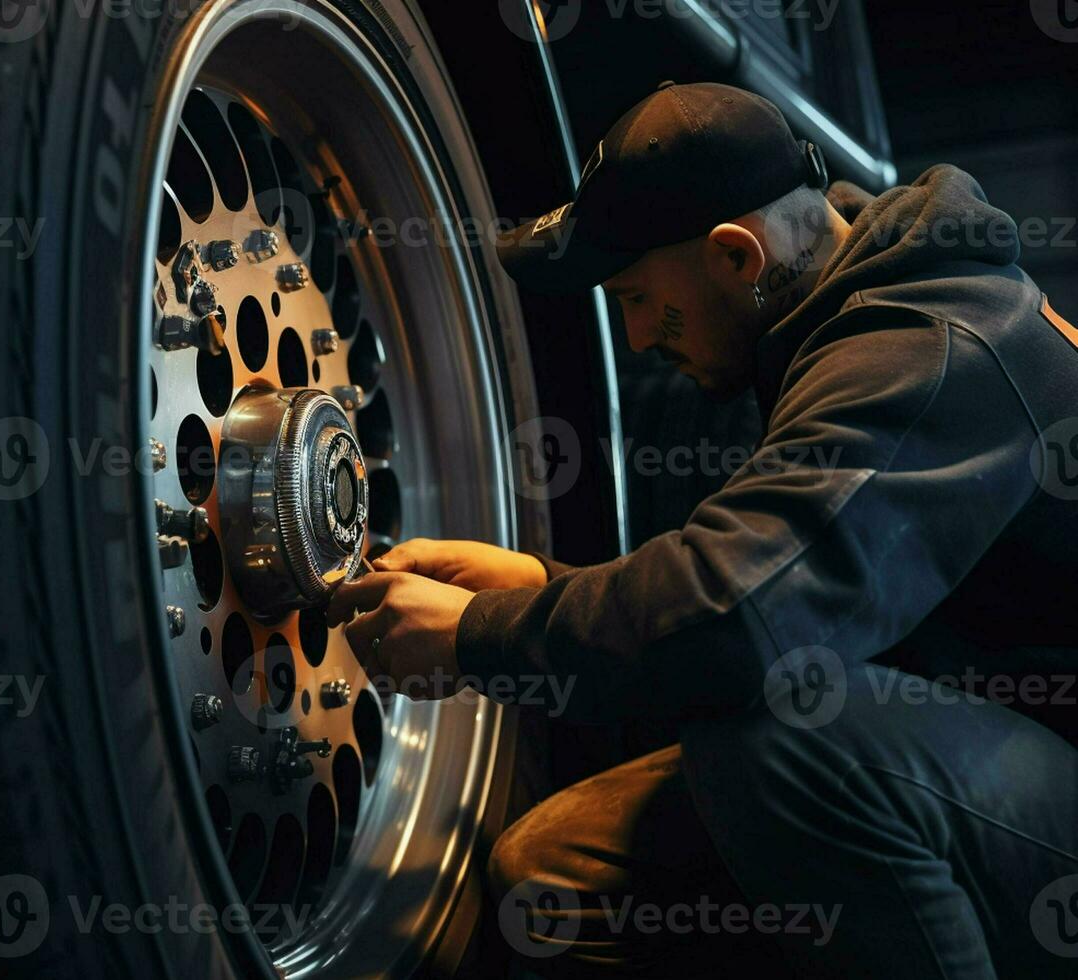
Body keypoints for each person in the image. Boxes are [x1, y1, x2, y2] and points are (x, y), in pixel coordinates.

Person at [326, 81, 1078, 978]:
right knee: (552, 874)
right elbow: (759, 587)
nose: (638, 337)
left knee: (778, 737)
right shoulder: (841, 319)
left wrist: (476, 638)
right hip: (982, 752)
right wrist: (538, 586)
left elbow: (735, 618)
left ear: (734, 256)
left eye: (639, 298)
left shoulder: (932, 348)